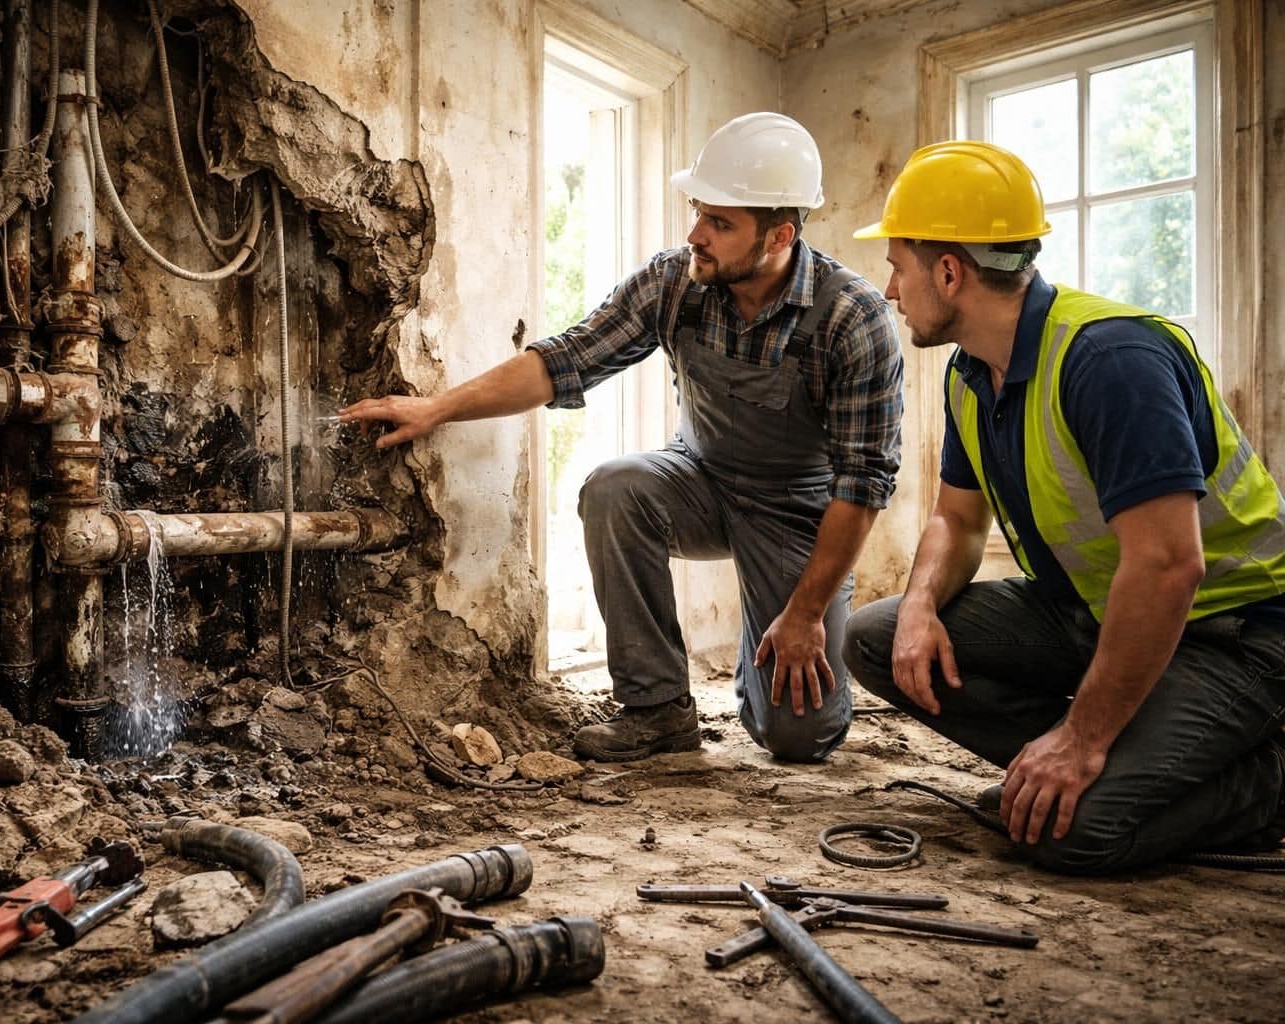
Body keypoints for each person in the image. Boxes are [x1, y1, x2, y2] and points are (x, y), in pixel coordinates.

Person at [340, 113, 903, 764]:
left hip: (798, 514)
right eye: (698, 212)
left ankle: (780, 664)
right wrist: (438, 408)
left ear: (779, 234)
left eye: (720, 223)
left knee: (796, 738)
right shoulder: (675, 281)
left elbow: (863, 487)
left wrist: (804, 615)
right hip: (700, 481)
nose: (695, 233)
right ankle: (657, 709)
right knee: (615, 489)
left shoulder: (851, 318)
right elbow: (565, 360)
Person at [845, 140, 1285, 874]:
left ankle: (1263, 774)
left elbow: (1169, 566)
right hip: (1094, 610)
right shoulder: (970, 375)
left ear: (949, 272)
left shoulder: (1111, 361)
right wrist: (919, 604)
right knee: (874, 636)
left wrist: (1083, 739)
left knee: (1070, 835)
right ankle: (1071, 763)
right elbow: (956, 519)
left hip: (1238, 634)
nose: (890, 290)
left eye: (898, 265)